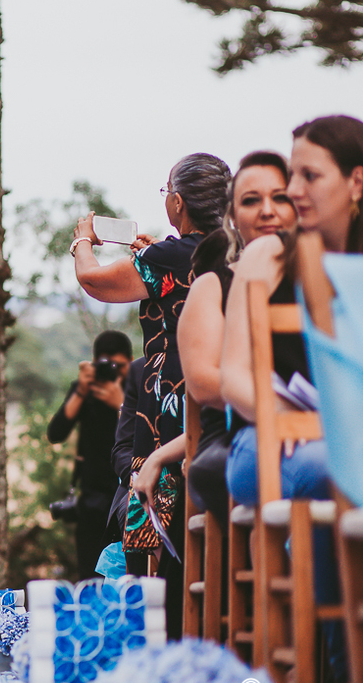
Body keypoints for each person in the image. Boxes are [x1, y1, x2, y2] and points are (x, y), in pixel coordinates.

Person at [220, 116, 363, 683]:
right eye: (291, 173)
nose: (294, 191)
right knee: (331, 468)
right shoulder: (266, 259)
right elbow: (231, 377)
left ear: (356, 183)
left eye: (308, 175)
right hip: (269, 437)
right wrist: (298, 422)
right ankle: (337, 678)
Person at [72, 153, 232, 586]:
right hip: (224, 394)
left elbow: (93, 280)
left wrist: (83, 241)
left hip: (174, 402)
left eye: (167, 192)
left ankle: (161, 610)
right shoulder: (233, 254)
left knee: (162, 530)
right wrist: (151, 257)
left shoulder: (169, 256)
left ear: (178, 203)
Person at [177, 151, 297, 529]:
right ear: (232, 217)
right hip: (233, 431)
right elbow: (204, 382)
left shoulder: (320, 276)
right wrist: (281, 412)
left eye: (280, 198)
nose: (267, 211)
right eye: (251, 200)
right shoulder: (215, 285)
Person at [47, 330, 132, 578]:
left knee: (125, 574)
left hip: (127, 492)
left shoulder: (136, 387)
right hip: (93, 497)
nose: (113, 371)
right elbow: (56, 432)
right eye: (107, 365)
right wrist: (82, 390)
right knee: (89, 575)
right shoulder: (86, 391)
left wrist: (121, 402)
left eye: (120, 365)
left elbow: (146, 433)